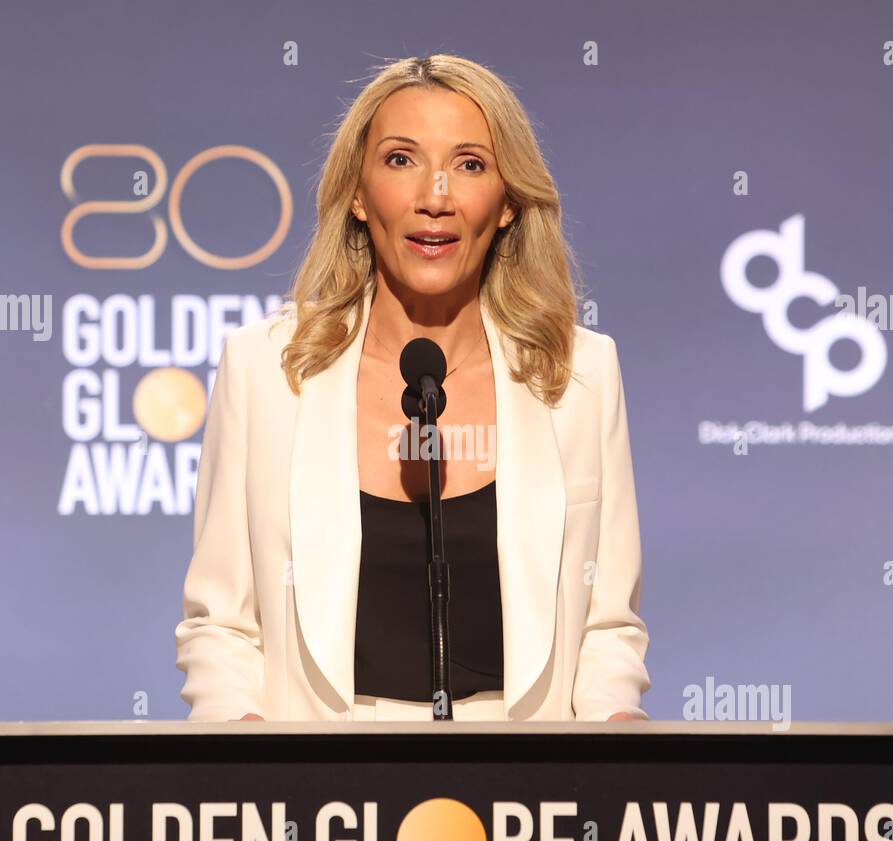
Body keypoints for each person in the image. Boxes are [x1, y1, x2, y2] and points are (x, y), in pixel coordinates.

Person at [175, 54, 650, 722]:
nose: (436, 195)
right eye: (401, 160)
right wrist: (250, 751)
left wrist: (615, 741)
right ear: (359, 194)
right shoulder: (266, 371)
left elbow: (607, 629)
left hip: (528, 790)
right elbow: (221, 625)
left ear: (509, 201)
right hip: (319, 786)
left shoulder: (579, 374)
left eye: (470, 164)